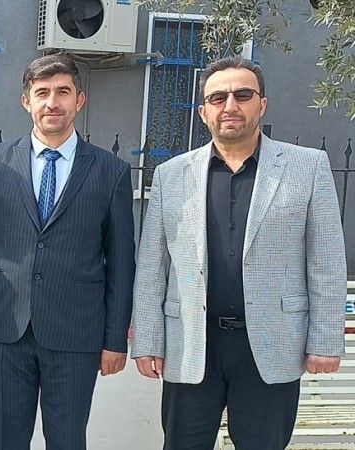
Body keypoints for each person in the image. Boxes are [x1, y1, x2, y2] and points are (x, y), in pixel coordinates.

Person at [131, 56, 347, 450]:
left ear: (261, 104)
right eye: (218, 98)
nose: (230, 106)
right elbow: (152, 266)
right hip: (192, 343)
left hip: (271, 343)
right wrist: (147, 339)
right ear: (203, 112)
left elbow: (327, 262)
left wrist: (326, 340)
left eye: (242, 95)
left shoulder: (308, 167)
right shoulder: (170, 174)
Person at [0, 54, 136, 449]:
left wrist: (115, 339)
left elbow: (122, 263)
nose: (52, 103)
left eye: (62, 92)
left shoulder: (111, 171)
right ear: (27, 101)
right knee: (5, 439)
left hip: (76, 334)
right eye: (42, 93)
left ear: (79, 100)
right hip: (5, 329)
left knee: (68, 440)